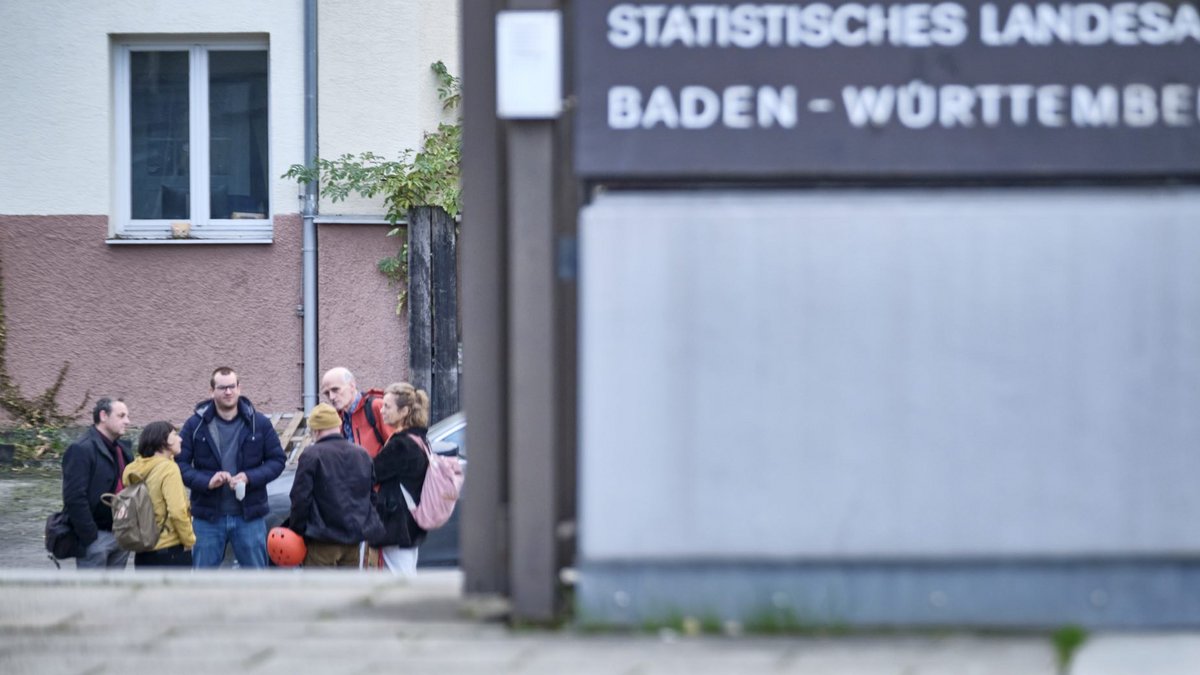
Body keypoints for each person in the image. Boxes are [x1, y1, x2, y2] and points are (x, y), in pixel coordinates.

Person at [178, 367, 285, 568]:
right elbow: (179, 464)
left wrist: (249, 477)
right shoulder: (195, 425)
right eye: (222, 388)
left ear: (239, 388)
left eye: (232, 387)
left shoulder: (259, 423)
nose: (228, 392)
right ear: (211, 391)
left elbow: (278, 460)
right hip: (208, 518)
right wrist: (207, 482)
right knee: (203, 580)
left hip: (249, 517)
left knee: (256, 578)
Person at [288, 403, 385, 567]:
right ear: (338, 426)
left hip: (321, 541)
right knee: (348, 584)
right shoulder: (362, 454)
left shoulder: (311, 455)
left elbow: (300, 498)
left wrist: (297, 531)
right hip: (353, 540)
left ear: (316, 430)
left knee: (318, 584)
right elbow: (371, 497)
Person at [61, 397, 133, 569]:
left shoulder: (123, 450)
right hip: (96, 537)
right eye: (121, 416)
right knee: (92, 587)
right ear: (103, 416)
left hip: (121, 534)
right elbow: (74, 497)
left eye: (127, 416)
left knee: (115, 587)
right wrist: (90, 536)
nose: (127, 421)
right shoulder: (81, 449)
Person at [372, 382, 431, 576]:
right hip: (410, 522)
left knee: (400, 578)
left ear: (404, 411)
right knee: (406, 572)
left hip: (397, 524)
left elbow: (372, 473)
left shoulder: (402, 445)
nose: (382, 411)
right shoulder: (419, 439)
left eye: (387, 406)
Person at [122, 421, 195, 568]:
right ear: (163, 441)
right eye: (175, 434)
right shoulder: (169, 469)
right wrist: (189, 540)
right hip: (169, 550)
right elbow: (177, 511)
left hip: (143, 550)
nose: (180, 439)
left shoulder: (132, 468)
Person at [320, 367, 394, 458]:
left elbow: (396, 446)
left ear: (352, 386)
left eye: (335, 390)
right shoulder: (337, 417)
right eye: (327, 393)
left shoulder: (376, 406)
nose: (331, 397)